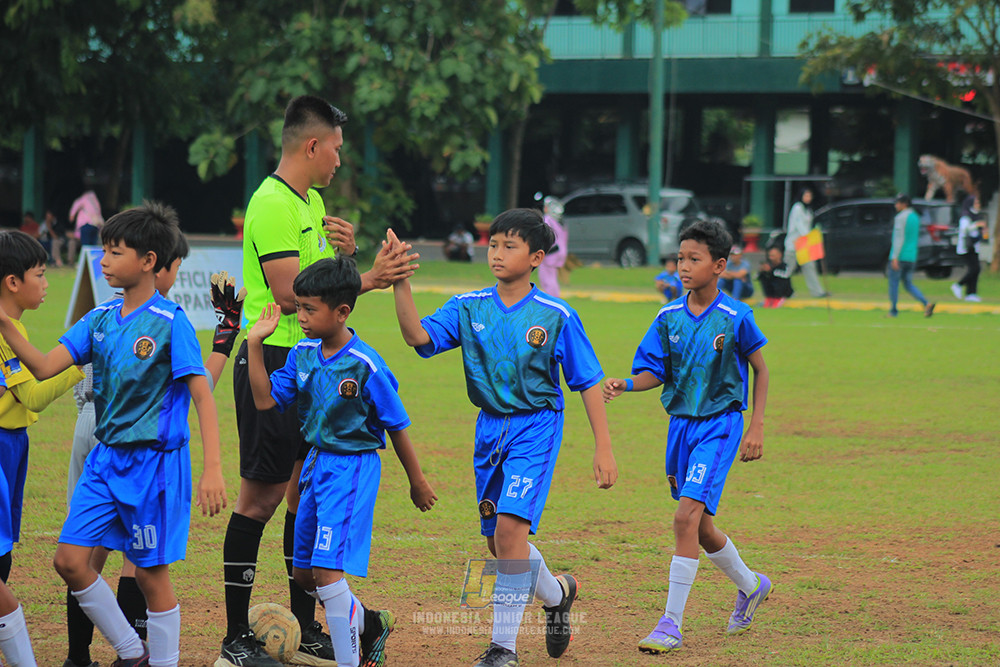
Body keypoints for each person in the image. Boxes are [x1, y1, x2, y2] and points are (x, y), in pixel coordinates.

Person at [222, 94, 419, 667]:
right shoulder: (273, 203)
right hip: (276, 360)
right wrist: (370, 277)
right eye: (335, 146)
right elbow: (290, 296)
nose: (339, 158)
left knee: (297, 494)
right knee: (258, 499)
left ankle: (306, 626)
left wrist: (347, 258)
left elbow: (322, 285)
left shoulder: (309, 201)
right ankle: (237, 637)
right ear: (312, 144)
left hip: (311, 368)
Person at [0, 203, 228, 667]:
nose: (102, 261)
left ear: (147, 261)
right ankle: (130, 651)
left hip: (155, 467)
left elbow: (202, 396)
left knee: (149, 576)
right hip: (105, 463)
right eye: (102, 251)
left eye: (114, 252)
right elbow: (44, 367)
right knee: (70, 561)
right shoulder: (99, 318)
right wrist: (6, 326)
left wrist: (213, 469)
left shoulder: (170, 322)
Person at [392, 208, 618, 667]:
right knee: (498, 542)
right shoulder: (468, 306)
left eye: (509, 246)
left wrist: (604, 445)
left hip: (536, 425)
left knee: (512, 531)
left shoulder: (555, 315)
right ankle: (557, 595)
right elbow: (418, 337)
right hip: (489, 430)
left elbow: (587, 380)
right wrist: (400, 281)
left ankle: (503, 650)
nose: (496, 253)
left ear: (536, 257)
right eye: (493, 244)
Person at [62, 228, 244, 667]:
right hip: (122, 443)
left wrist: (225, 334)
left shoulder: (149, 319)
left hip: (95, 431)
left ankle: (84, 656)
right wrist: (227, 332)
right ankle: (126, 652)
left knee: (96, 557)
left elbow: (194, 386)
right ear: (156, 265)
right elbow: (193, 393)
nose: (176, 276)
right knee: (126, 562)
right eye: (176, 267)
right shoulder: (144, 316)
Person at [248, 257, 437, 667]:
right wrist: (254, 344)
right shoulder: (301, 354)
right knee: (304, 576)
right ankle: (369, 623)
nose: (300, 316)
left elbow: (397, 425)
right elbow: (264, 399)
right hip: (316, 466)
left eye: (309, 309)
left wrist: (416, 481)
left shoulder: (366, 364)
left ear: (342, 312)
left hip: (351, 469)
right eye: (298, 306)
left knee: (327, 573)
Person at [602, 220, 771, 656]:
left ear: (719, 266)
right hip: (681, 427)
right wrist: (626, 383)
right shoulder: (668, 317)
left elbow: (761, 368)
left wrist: (756, 424)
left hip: (720, 425)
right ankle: (752, 586)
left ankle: (670, 623)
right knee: (701, 527)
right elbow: (653, 372)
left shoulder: (736, 316)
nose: (683, 266)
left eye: (693, 259)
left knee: (683, 519)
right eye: (680, 258)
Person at [0, 230, 87, 666]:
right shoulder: (2, 331)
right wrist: (80, 366)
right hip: (1, 444)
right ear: (13, 282)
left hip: (13, 443)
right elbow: (32, 396)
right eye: (39, 273)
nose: (47, 281)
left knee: (4, 551)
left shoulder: (13, 326)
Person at [888, 194, 935, 318]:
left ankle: (893, 310)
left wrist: (895, 257)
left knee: (894, 283)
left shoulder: (901, 218)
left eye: (897, 203)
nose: (895, 205)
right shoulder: (915, 217)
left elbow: (899, 238)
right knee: (908, 283)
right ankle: (926, 303)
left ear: (904, 204)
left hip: (901, 255)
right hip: (911, 255)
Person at [783, 188, 827, 298]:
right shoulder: (797, 208)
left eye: (809, 196)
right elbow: (799, 226)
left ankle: (817, 292)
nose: (808, 198)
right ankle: (784, 291)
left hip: (804, 245)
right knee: (788, 269)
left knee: (810, 267)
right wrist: (809, 237)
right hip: (794, 244)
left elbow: (808, 226)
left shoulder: (808, 210)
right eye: (806, 196)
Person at [951, 195, 987, 303]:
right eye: (976, 203)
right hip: (967, 247)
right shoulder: (966, 216)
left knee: (976, 269)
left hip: (974, 247)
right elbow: (964, 230)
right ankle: (958, 285)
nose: (978, 205)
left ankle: (971, 293)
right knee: (974, 269)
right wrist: (976, 225)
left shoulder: (977, 215)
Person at [537, 196, 568, 296]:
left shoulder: (548, 220)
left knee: (547, 279)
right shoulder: (560, 222)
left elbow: (545, 236)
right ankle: (554, 298)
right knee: (552, 278)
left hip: (550, 253)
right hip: (559, 253)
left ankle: (553, 300)